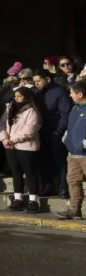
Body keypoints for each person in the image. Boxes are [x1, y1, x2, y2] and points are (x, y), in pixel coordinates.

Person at [0, 86, 42, 213]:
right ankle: (18, 198)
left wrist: (13, 139)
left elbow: (30, 130)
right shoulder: (9, 108)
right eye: (15, 96)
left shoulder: (32, 111)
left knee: (30, 173)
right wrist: (4, 139)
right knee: (15, 172)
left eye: (19, 96)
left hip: (26, 147)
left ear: (26, 97)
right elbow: (1, 124)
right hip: (10, 146)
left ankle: (33, 199)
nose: (16, 99)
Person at [33, 69, 72, 197]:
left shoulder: (59, 91)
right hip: (40, 132)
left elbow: (65, 112)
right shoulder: (35, 92)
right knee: (43, 160)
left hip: (56, 131)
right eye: (35, 82)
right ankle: (47, 186)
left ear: (47, 79)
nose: (36, 84)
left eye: (39, 81)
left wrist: (59, 131)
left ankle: (63, 187)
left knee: (59, 160)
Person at [56, 81, 86, 220]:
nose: (70, 95)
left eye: (72, 93)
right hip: (73, 153)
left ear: (80, 94)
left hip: (84, 154)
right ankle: (74, 210)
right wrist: (66, 139)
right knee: (73, 181)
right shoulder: (74, 109)